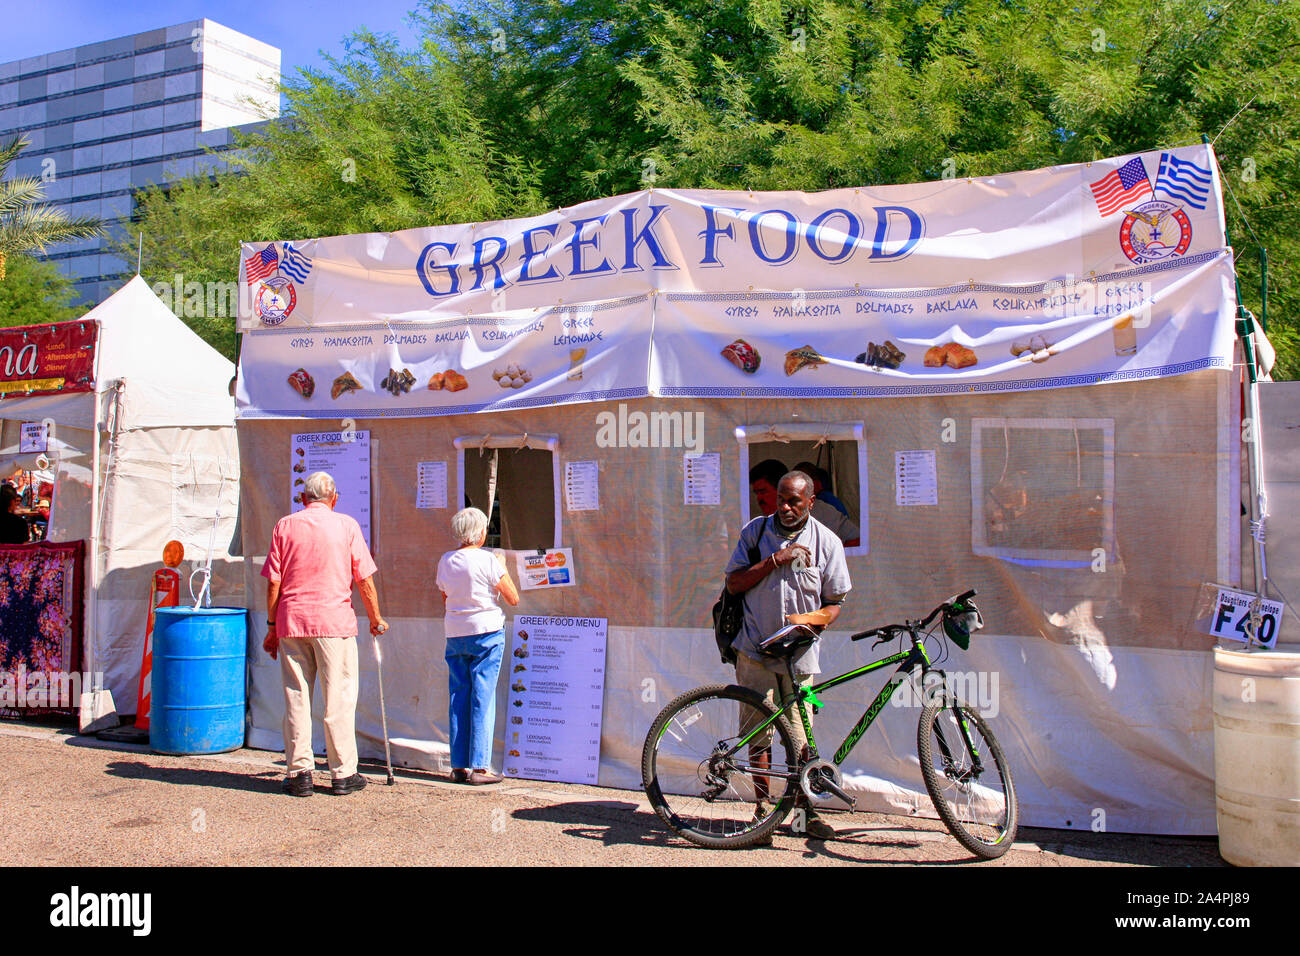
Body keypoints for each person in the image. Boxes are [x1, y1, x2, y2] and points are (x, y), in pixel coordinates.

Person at [726, 469, 852, 841]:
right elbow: (734, 582)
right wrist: (775, 560)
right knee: (758, 736)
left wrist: (812, 621)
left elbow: (835, 603)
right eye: (781, 498)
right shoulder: (755, 533)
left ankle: (803, 813)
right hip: (754, 653)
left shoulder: (828, 543)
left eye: (794, 500)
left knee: (801, 740)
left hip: (800, 660)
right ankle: (763, 814)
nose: (784, 506)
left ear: (810, 502)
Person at [262, 471, 388, 797]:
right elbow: (364, 579)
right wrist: (375, 618)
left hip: (292, 621)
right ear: (334, 498)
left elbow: (274, 582)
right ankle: (343, 773)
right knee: (339, 698)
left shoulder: (284, 526)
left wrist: (272, 627)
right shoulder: (346, 525)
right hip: (334, 623)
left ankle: (300, 772)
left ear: (303, 498)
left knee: (296, 697)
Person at [436, 507, 520, 785]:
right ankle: (480, 766)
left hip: (455, 632)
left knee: (458, 696)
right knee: (483, 696)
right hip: (486, 632)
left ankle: (458, 765)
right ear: (481, 533)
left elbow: (445, 595)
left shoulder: (446, 560)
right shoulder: (489, 560)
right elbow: (512, 598)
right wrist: (503, 567)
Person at [749, 458, 860, 546]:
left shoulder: (819, 511)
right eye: (756, 493)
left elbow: (858, 541)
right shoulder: (763, 524)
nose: (759, 499)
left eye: (763, 492)